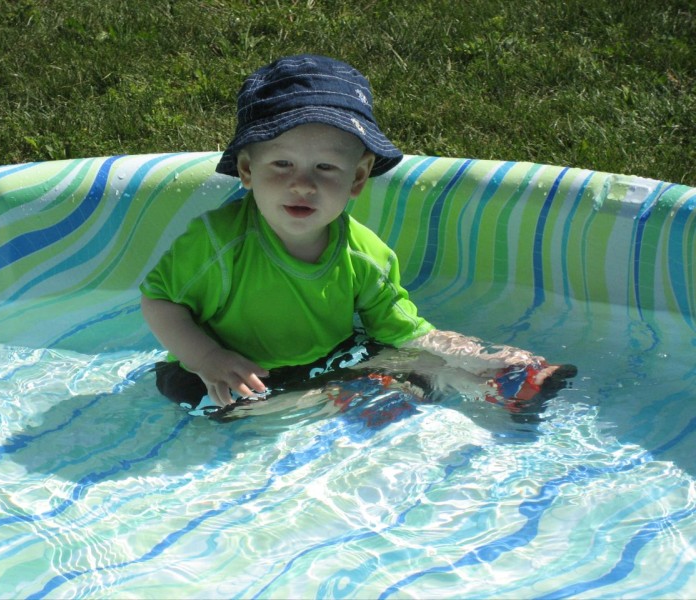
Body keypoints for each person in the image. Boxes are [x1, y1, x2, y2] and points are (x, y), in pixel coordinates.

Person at [141, 54, 575, 418]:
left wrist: (479, 356)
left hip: (330, 358)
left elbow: (404, 331)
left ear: (358, 178)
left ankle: (503, 379)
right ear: (247, 170)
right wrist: (207, 359)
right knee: (210, 400)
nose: (303, 185)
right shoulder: (218, 242)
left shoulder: (366, 254)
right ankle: (344, 397)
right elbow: (159, 301)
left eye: (325, 168)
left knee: (407, 357)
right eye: (282, 165)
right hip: (227, 373)